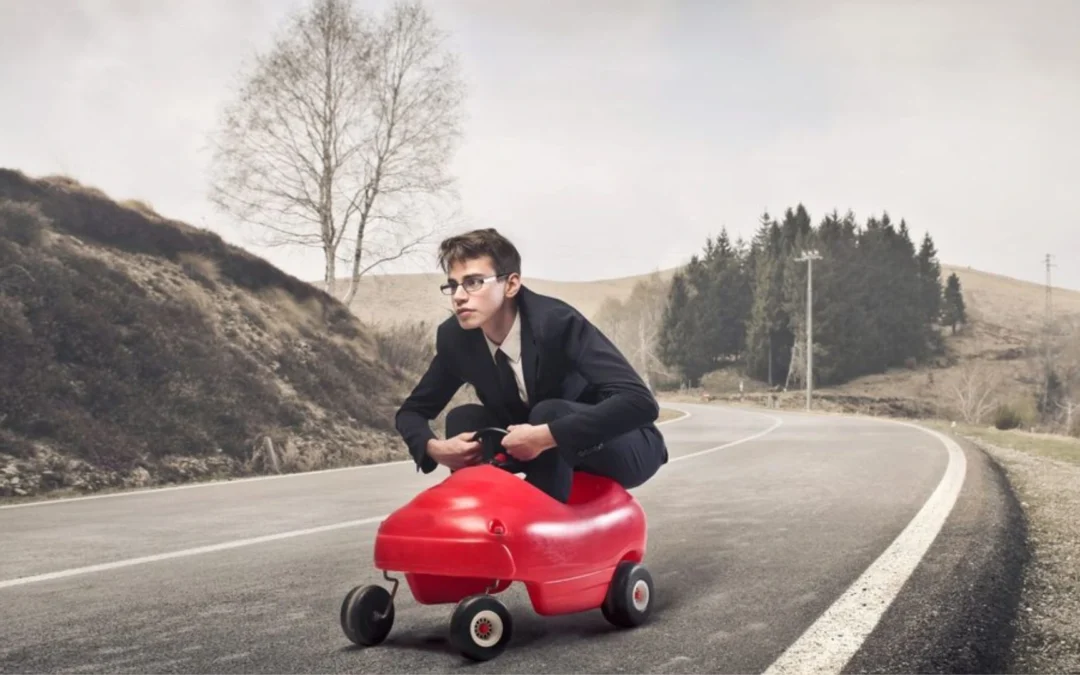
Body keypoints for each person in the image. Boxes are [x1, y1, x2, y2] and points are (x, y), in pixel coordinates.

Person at [394, 228, 668, 503]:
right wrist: (434, 448)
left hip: (615, 441)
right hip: (527, 445)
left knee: (549, 412)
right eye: (453, 285)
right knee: (463, 418)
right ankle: (476, 515)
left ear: (511, 285)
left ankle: (544, 519)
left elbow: (640, 402)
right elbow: (412, 412)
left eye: (474, 282)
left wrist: (548, 435)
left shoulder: (556, 323)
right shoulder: (457, 339)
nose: (459, 296)